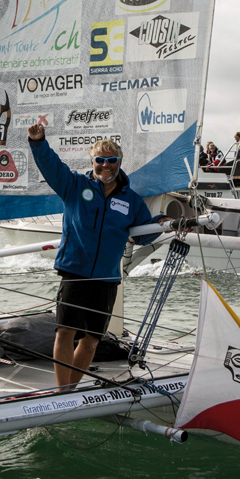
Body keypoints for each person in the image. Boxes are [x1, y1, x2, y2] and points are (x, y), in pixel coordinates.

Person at [28, 123, 168, 390]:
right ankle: (61, 392)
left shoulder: (131, 200)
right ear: (92, 161)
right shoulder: (74, 185)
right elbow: (50, 166)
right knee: (65, 332)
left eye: (112, 160)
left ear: (119, 163)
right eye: (100, 160)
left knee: (92, 340)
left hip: (107, 278)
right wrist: (38, 142)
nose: (106, 165)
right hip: (75, 271)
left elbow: (142, 236)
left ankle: (70, 390)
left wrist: (160, 223)